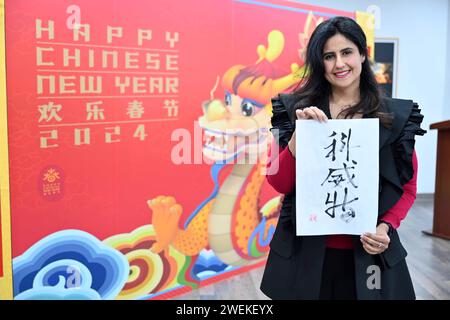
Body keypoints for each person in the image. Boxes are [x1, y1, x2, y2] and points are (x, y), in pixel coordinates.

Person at [260, 16, 426, 300]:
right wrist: (299, 138)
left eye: (347, 52)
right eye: (329, 56)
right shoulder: (294, 112)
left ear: (363, 54)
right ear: (319, 62)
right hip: (306, 254)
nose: (339, 64)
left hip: (369, 254)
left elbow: (408, 188)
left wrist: (385, 227)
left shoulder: (394, 118)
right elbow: (279, 182)